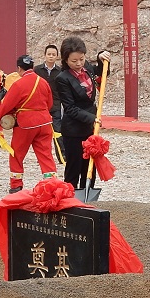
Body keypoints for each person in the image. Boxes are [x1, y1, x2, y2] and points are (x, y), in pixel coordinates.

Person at [0, 55, 58, 194]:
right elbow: (50, 103)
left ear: (19, 68)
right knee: (45, 154)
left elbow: (7, 105)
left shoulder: (18, 84)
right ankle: (51, 183)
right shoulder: (43, 82)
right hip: (45, 122)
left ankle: (16, 185)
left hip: (26, 124)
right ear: (32, 67)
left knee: (16, 154)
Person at [55, 37, 111, 189]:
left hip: (90, 128)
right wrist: (92, 118)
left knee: (90, 166)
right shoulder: (62, 78)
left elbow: (103, 72)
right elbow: (70, 108)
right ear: (66, 60)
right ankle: (70, 195)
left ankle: (88, 193)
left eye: (81, 58)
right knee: (74, 168)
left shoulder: (87, 68)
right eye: (74, 61)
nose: (79, 63)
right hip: (73, 130)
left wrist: (101, 57)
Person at [34, 44, 65, 163]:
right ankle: (42, 157)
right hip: (40, 106)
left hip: (55, 105)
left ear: (57, 56)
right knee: (41, 132)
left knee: (57, 131)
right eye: (49, 54)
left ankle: (62, 156)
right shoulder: (37, 70)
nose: (51, 56)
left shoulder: (61, 71)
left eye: (53, 54)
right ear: (45, 55)